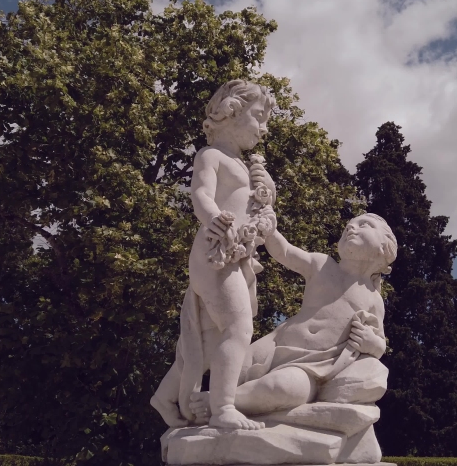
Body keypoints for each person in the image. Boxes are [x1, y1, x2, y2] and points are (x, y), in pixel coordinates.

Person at [150, 80, 277, 430]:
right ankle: (223, 408)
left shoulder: (246, 166)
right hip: (215, 251)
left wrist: (268, 191)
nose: (263, 128)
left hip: (239, 258)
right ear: (231, 112)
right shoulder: (212, 155)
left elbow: (261, 212)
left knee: (204, 341)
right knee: (237, 328)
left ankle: (164, 397)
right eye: (259, 116)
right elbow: (201, 195)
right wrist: (214, 218)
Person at [189, 213, 397, 418]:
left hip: (312, 366)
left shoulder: (373, 299)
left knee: (283, 388)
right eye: (348, 226)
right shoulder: (322, 265)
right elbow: (286, 252)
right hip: (275, 342)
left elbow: (379, 343)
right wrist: (270, 231)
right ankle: (216, 397)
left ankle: (220, 401)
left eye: (364, 225)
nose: (351, 228)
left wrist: (371, 343)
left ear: (384, 248)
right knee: (236, 362)